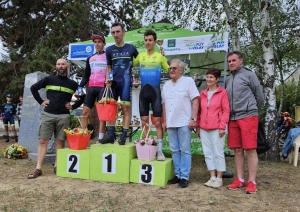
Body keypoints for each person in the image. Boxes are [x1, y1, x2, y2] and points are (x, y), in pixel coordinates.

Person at [27, 58, 84, 179]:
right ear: (56, 66)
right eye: (58, 64)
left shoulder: (72, 83)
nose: (60, 66)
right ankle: (38, 168)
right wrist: (41, 101)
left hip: (64, 116)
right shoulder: (49, 79)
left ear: (67, 66)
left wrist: (73, 106)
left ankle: (57, 166)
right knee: (43, 141)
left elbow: (83, 95)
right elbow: (33, 88)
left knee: (60, 141)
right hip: (48, 114)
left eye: (63, 64)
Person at [225, 51, 264, 194]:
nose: (231, 63)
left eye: (234, 60)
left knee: (250, 149)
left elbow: (259, 96)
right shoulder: (228, 79)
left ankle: (252, 182)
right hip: (233, 118)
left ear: (241, 61)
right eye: (229, 61)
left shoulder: (249, 75)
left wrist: (253, 111)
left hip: (248, 116)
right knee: (237, 149)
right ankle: (240, 179)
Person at [162, 59, 199, 188]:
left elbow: (195, 100)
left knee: (185, 150)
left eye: (174, 68)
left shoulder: (188, 81)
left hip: (184, 121)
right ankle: (177, 175)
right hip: (171, 122)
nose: (171, 70)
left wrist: (193, 119)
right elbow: (164, 105)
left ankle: (184, 177)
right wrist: (164, 121)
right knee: (174, 150)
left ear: (181, 70)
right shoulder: (166, 85)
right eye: (170, 68)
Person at [133, 29, 169, 161]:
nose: (147, 42)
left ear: (155, 42)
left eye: (150, 40)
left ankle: (159, 150)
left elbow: (170, 70)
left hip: (155, 92)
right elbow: (129, 64)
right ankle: (145, 146)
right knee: (144, 121)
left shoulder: (160, 56)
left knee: (158, 122)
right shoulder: (140, 56)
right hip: (143, 92)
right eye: (146, 40)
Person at [102, 22, 138, 145]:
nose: (116, 34)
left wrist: (137, 78)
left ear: (123, 32)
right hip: (113, 83)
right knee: (111, 109)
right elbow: (108, 66)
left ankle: (124, 136)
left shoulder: (131, 48)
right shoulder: (109, 50)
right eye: (113, 32)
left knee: (125, 108)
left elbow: (138, 64)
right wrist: (108, 79)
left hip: (126, 82)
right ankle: (111, 136)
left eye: (118, 32)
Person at [196, 68, 230, 188]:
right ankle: (212, 177)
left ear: (217, 79)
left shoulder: (223, 92)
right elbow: (199, 112)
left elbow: (226, 111)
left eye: (211, 77)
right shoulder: (202, 93)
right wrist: (198, 127)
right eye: (207, 77)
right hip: (204, 127)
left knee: (218, 153)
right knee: (207, 153)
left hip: (217, 128)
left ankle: (219, 178)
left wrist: (222, 127)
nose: (209, 79)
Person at [78, 34, 107, 142]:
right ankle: (84, 136)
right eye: (95, 42)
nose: (97, 44)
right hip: (91, 88)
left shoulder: (107, 57)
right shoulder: (90, 58)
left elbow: (111, 71)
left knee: (102, 115)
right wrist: (80, 87)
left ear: (104, 44)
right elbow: (86, 75)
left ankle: (100, 137)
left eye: (99, 42)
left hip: (102, 88)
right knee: (84, 113)